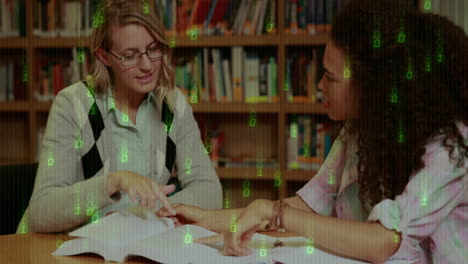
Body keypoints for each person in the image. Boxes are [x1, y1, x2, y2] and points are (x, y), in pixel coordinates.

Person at [157, 0, 468, 263]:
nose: (319, 85)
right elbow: (306, 204)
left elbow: (385, 241)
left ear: (373, 87)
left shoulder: (450, 151)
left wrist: (274, 213)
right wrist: (205, 218)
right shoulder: (360, 128)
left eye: (331, 77)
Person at [17, 0, 222, 233]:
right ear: (104, 56)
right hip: (57, 249)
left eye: (153, 49)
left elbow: (209, 188)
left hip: (137, 243)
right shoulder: (73, 105)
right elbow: (42, 212)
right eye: (130, 55)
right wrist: (113, 182)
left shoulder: (173, 104)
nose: (147, 66)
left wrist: (150, 216)